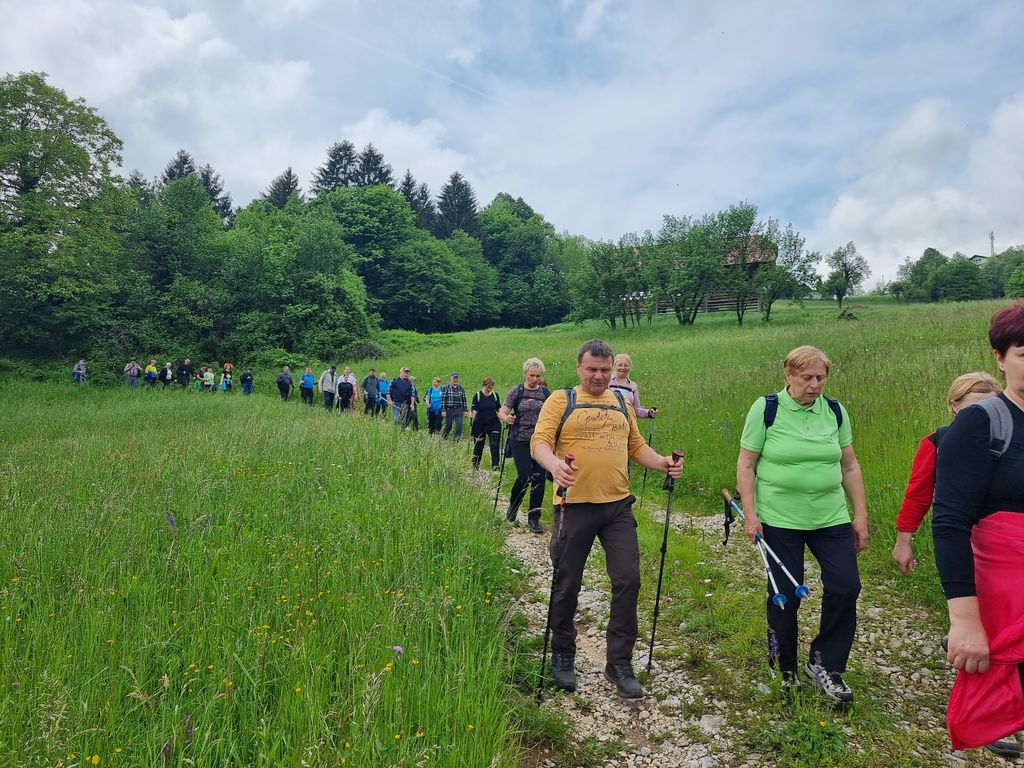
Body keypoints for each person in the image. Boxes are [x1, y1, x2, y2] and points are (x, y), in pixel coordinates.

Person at [531, 339, 683, 698]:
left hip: (617, 506)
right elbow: (540, 442)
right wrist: (554, 465)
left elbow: (636, 446)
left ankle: (619, 662)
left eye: (604, 369)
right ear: (579, 368)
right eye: (592, 369)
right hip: (573, 505)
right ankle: (563, 653)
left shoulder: (620, 401)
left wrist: (662, 462)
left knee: (629, 580)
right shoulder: (561, 400)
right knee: (567, 582)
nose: (599, 376)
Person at [736, 345, 867, 704]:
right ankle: (785, 667)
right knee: (785, 595)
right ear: (788, 375)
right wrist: (751, 514)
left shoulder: (835, 411)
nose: (814, 385)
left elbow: (849, 466)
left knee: (846, 586)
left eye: (820, 377)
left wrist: (860, 515)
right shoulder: (767, 409)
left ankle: (825, 665)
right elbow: (746, 463)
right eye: (807, 377)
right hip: (779, 518)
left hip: (830, 516)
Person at [934, 302, 1024, 753]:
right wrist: (965, 622)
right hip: (1009, 605)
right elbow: (949, 523)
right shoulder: (981, 423)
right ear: (1000, 358)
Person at [892, 372, 1001, 575]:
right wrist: (903, 541)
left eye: (992, 408)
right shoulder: (937, 442)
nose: (984, 415)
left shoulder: (1010, 442)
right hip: (960, 537)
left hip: (1006, 536)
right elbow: (918, 495)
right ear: (954, 406)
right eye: (976, 407)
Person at [499, 358, 551, 532]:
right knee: (525, 475)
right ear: (525, 374)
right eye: (532, 375)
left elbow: (552, 414)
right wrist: (507, 418)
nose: (535, 379)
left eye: (538, 376)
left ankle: (534, 518)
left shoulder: (545, 393)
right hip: (519, 439)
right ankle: (513, 506)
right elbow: (503, 411)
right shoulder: (517, 391)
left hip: (540, 441)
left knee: (540, 478)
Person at [609, 353, 658, 420]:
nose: (623, 368)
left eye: (626, 365)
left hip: (627, 422)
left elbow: (636, 410)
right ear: (614, 366)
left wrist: (649, 412)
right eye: (620, 365)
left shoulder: (632, 386)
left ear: (630, 367)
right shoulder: (607, 381)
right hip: (609, 420)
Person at [471, 378, 502, 471]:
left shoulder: (495, 395)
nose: (489, 389)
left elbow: (499, 409)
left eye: (490, 387)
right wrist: (473, 421)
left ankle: (495, 465)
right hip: (480, 424)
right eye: (487, 387)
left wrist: (505, 417)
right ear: (483, 386)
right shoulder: (477, 395)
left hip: (494, 423)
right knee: (479, 445)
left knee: (494, 443)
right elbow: (474, 410)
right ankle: (476, 464)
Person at [441, 372, 469, 440]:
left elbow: (464, 400)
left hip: (459, 410)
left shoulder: (461, 388)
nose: (455, 380)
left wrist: (465, 410)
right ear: (451, 379)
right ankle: (444, 438)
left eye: (457, 378)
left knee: (459, 425)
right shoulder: (446, 387)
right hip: (449, 410)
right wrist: (443, 410)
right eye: (454, 378)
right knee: (448, 426)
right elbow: (443, 400)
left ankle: (457, 440)